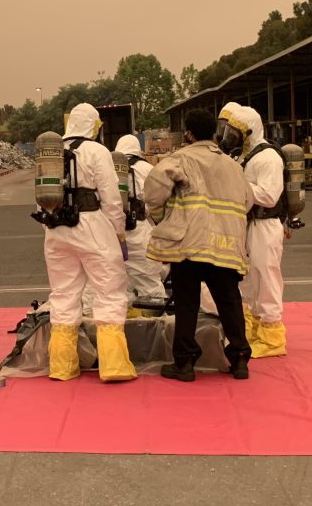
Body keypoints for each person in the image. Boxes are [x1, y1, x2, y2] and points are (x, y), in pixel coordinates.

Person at [145, 109, 253, 381]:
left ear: (189, 134)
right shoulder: (233, 165)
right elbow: (247, 201)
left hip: (190, 243)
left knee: (187, 303)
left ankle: (184, 364)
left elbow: (154, 189)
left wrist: (162, 218)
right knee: (229, 301)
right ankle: (239, 359)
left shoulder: (181, 159)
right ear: (215, 134)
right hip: (225, 243)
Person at [45, 103, 136, 382]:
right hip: (92, 227)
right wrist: (119, 234)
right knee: (108, 292)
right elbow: (111, 198)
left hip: (57, 230)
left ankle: (62, 366)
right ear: (93, 126)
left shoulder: (51, 151)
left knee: (63, 295)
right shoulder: (97, 151)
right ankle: (114, 365)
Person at [223, 106, 287, 358]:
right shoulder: (247, 156)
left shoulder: (268, 157)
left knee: (266, 276)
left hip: (265, 224)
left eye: (234, 132)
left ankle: (273, 338)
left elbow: (270, 196)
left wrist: (239, 187)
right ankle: (253, 329)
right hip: (249, 224)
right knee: (250, 278)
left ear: (248, 131)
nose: (230, 137)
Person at [115, 134, 166, 307]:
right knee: (149, 284)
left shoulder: (108, 166)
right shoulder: (146, 168)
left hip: (113, 234)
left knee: (120, 286)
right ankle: (152, 327)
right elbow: (158, 200)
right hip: (138, 231)